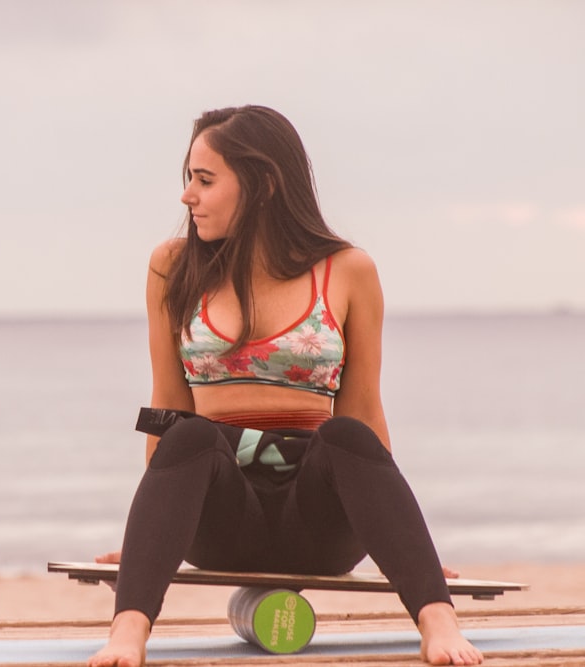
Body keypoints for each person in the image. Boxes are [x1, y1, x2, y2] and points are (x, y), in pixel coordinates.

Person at [88, 106, 483, 667]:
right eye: (188, 180)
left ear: (263, 184)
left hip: (317, 523)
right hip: (221, 519)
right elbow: (169, 409)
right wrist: (150, 538)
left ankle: (437, 621)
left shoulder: (348, 270)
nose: (187, 196)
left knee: (345, 433)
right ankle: (128, 633)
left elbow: (366, 415)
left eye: (204, 180)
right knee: (189, 436)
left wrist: (400, 543)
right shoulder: (171, 268)